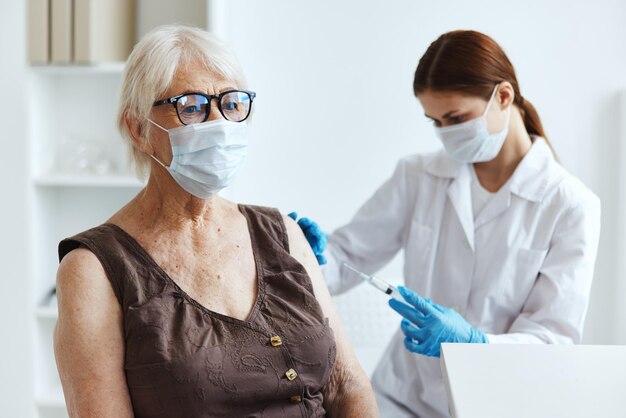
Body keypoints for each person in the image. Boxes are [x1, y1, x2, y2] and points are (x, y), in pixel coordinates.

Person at [53, 24, 378, 418]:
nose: (219, 124)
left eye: (231, 103)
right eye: (191, 107)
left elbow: (348, 387)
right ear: (138, 129)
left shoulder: (283, 233)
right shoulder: (93, 269)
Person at [292, 30, 601, 417]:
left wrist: (475, 344)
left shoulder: (571, 206)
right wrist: (311, 257)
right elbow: (346, 259)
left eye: (456, 118)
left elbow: (553, 340)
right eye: (435, 121)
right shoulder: (417, 175)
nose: (446, 134)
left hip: (498, 402)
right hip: (402, 398)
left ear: (503, 96)